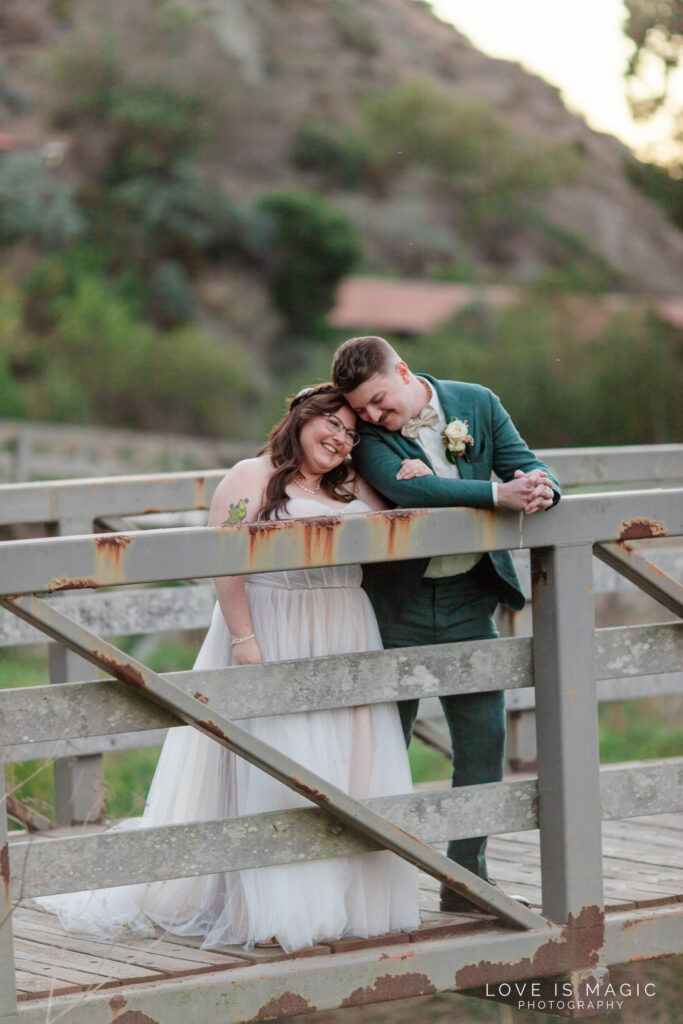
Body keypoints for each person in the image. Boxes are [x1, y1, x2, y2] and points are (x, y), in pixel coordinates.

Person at [37, 384, 419, 952]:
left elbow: (398, 517)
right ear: (300, 418)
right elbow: (225, 557)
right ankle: (274, 907)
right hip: (274, 624)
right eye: (331, 425)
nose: (340, 439)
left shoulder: (350, 482)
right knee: (282, 766)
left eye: (351, 433)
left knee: (347, 765)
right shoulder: (252, 476)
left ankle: (341, 903)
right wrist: (244, 636)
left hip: (345, 627)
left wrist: (408, 468)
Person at [332, 336, 560, 914]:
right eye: (362, 411)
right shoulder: (369, 434)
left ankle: (467, 882)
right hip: (396, 605)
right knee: (385, 746)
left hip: (469, 599)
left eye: (380, 402)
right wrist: (493, 492)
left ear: (403, 372)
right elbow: (407, 487)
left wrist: (541, 488)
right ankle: (367, 888)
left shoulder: (476, 402)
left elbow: (525, 464)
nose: (371, 417)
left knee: (485, 739)